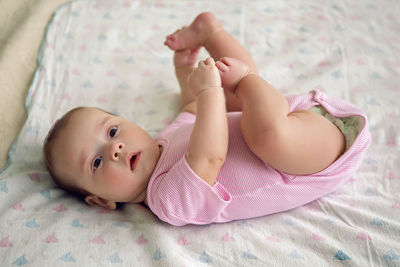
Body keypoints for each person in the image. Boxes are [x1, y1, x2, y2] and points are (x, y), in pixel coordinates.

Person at [43, 12, 371, 226]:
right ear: (101, 200)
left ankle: (210, 33)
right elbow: (208, 156)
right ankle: (245, 82)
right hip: (309, 159)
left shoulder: (165, 138)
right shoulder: (166, 200)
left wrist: (185, 69)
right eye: (97, 162)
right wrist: (210, 92)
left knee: (228, 91)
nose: (114, 148)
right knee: (252, 122)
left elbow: (191, 106)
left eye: (112, 130)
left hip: (293, 119)